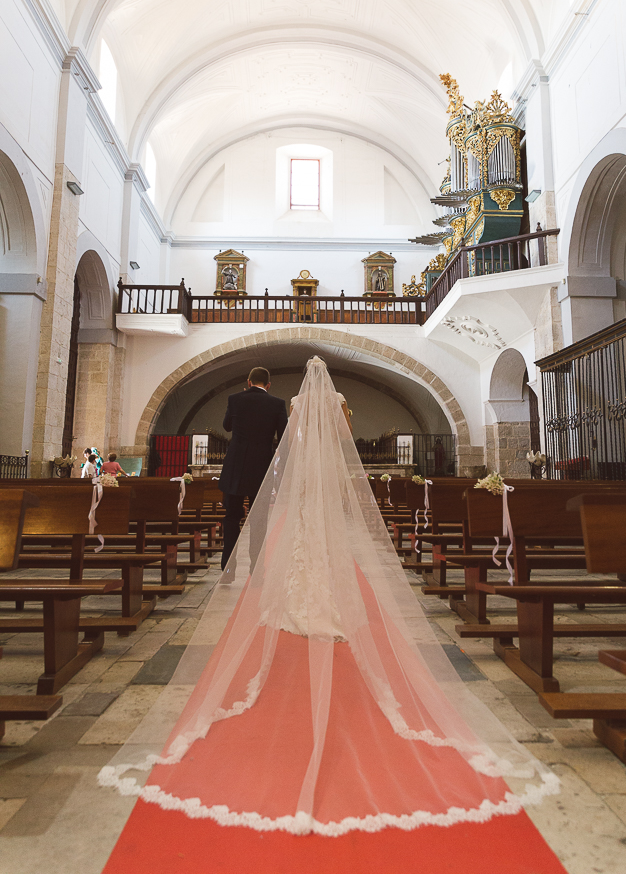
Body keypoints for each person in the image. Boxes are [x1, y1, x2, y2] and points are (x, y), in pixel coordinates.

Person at [99, 356, 561, 874]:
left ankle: (252, 572)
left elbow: (286, 444)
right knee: (325, 537)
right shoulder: (321, 404)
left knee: (281, 533)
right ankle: (321, 594)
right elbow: (340, 444)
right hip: (324, 476)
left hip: (286, 478)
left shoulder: (286, 404)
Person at [218, 365, 288, 576]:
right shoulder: (277, 404)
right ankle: (256, 569)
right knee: (258, 519)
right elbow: (283, 437)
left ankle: (228, 569)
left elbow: (226, 426)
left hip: (235, 468)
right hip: (261, 468)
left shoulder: (234, 399)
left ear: (248, 382)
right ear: (268, 385)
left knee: (231, 516)